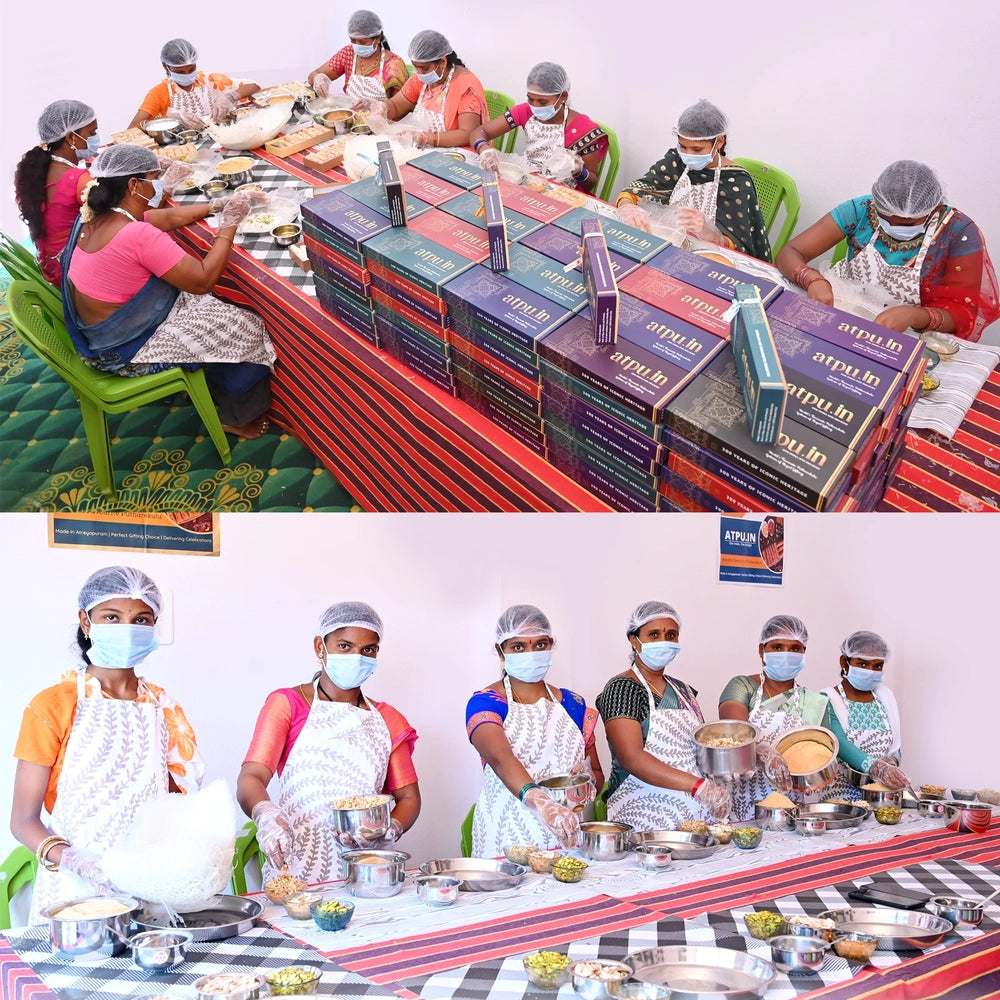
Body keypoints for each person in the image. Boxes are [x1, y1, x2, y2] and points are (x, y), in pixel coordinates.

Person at [10, 566, 204, 923]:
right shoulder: (52, 705)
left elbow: (179, 806)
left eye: (141, 619)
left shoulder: (165, 708)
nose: (128, 629)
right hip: (75, 894)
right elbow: (23, 820)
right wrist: (78, 863)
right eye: (111, 617)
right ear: (86, 621)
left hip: (149, 886)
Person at [61, 144, 276, 439]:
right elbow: (202, 280)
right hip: (126, 352)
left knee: (208, 306)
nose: (159, 182)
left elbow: (168, 219)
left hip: (102, 337)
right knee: (246, 325)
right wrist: (229, 226)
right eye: (155, 175)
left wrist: (220, 204)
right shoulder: (135, 233)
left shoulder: (93, 216)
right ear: (135, 184)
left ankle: (207, 383)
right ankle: (234, 415)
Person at [237, 602, 420, 884]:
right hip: (297, 863)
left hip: (367, 865)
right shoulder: (288, 704)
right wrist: (266, 815)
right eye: (345, 646)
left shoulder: (388, 719)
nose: (357, 657)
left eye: (368, 650)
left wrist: (390, 829)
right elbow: (252, 776)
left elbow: (409, 798)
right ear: (320, 647)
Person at [775, 160, 999, 340]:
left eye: (908, 224)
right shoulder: (863, 209)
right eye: (886, 219)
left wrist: (913, 315)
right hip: (841, 309)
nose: (895, 228)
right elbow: (791, 251)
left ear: (935, 209)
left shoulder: (959, 233)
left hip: (905, 333)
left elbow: (964, 314)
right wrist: (813, 279)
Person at [466, 604, 604, 857]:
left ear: (551, 644)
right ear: (500, 650)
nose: (531, 653)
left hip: (570, 835)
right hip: (508, 838)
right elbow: (500, 758)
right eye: (518, 646)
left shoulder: (574, 705)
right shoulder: (486, 703)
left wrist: (587, 781)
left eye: (540, 644)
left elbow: (596, 771)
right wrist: (542, 803)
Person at [595, 602, 730, 829]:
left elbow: (701, 748)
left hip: (694, 815)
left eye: (671, 635)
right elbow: (631, 758)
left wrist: (728, 765)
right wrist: (699, 787)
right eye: (654, 634)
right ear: (634, 640)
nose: (663, 641)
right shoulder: (622, 687)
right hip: (643, 816)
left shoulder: (684, 691)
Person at [615, 99, 772, 261]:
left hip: (710, 258)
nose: (688, 154)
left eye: (697, 149)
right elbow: (636, 189)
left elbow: (744, 247)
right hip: (669, 247)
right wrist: (628, 207)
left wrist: (713, 234)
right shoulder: (676, 161)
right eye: (683, 146)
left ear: (719, 142)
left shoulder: (737, 182)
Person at [718, 614, 834, 820]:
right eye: (777, 647)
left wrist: (814, 779)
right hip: (743, 799)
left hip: (790, 804)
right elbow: (736, 731)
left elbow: (822, 753)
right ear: (761, 650)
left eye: (795, 648)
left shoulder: (815, 702)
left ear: (804, 652)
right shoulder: (742, 686)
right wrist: (764, 752)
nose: (786, 654)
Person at [469, 62, 607, 194]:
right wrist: (484, 149)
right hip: (527, 181)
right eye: (530, 99)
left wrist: (578, 171)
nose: (535, 106)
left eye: (542, 102)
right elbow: (481, 132)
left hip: (560, 193)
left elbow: (591, 182)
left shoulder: (583, 129)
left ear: (563, 96)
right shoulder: (526, 111)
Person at [14, 100, 100, 284]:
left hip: (51, 267)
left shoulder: (37, 170)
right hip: (74, 277)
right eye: (92, 133)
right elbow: (120, 220)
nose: (96, 138)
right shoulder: (78, 180)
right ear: (71, 138)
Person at [821, 631, 909, 801]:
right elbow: (839, 742)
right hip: (841, 799)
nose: (870, 671)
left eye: (877, 666)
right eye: (862, 664)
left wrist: (892, 762)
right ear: (844, 662)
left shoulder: (886, 696)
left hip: (882, 797)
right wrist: (877, 767)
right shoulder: (827, 698)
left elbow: (896, 746)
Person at [364, 29, 486, 149]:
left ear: (443, 62)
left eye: (424, 68)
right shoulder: (421, 79)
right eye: (416, 67)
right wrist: (383, 108)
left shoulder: (466, 86)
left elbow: (468, 134)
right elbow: (396, 105)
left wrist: (426, 138)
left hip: (457, 153)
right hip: (425, 149)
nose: (419, 73)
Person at [128, 38, 261, 130]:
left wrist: (230, 97)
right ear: (165, 66)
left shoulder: (209, 80)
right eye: (180, 71)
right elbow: (133, 128)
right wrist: (172, 119)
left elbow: (253, 85)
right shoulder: (158, 93)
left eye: (191, 70)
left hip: (218, 136)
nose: (187, 75)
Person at [308, 9, 407, 103]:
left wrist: (378, 108)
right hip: (351, 117)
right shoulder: (348, 53)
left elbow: (400, 108)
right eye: (353, 41)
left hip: (381, 120)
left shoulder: (394, 65)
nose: (357, 45)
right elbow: (314, 74)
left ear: (377, 39)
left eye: (363, 42)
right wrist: (317, 79)